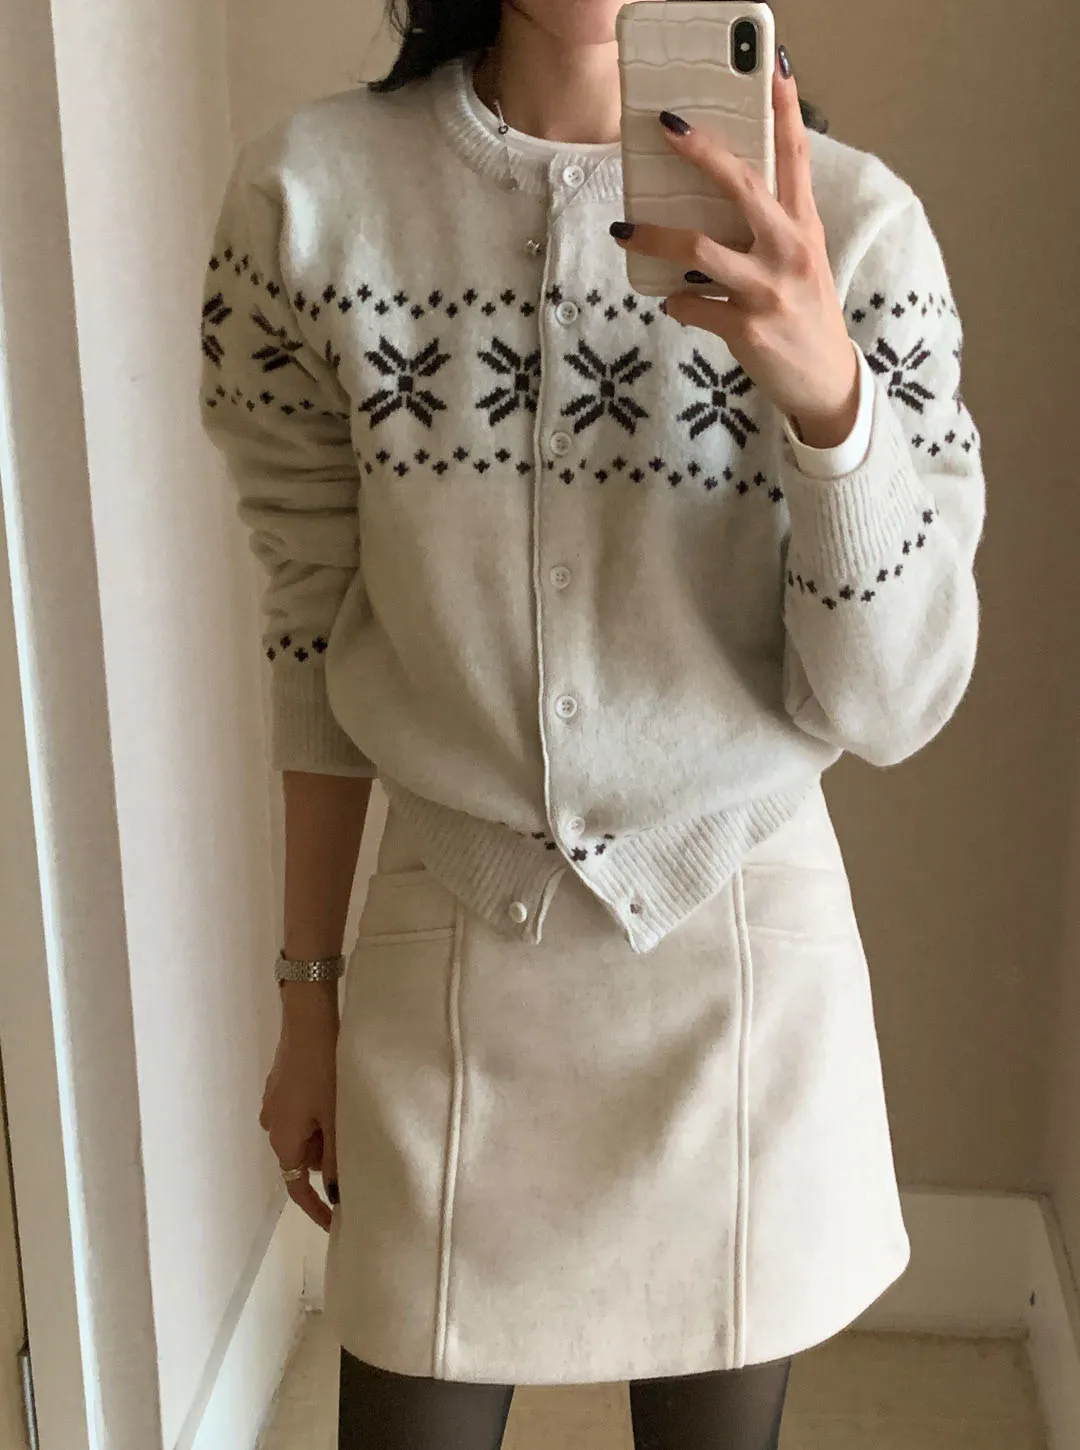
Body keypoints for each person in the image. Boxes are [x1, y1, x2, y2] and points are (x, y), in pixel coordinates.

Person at [198, 0, 986, 1445]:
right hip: (448, 952)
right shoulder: (305, 204)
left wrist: (830, 401)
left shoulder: (857, 230)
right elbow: (311, 621)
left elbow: (895, 701)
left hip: (737, 971)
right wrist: (306, 993)